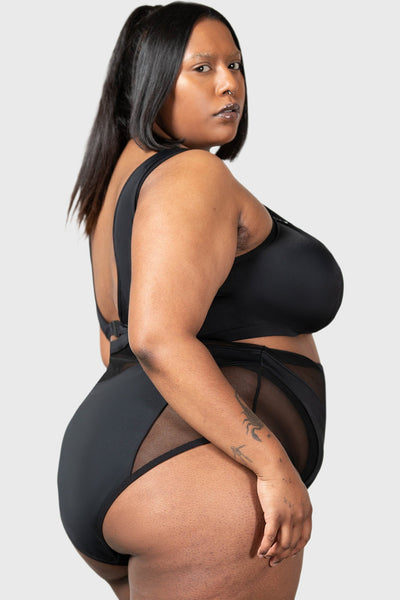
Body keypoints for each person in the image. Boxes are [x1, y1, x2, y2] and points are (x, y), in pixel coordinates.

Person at [57, 2, 343, 599]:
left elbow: (114, 346)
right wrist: (271, 464)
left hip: (118, 458)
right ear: (151, 83)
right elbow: (156, 339)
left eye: (235, 65)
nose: (229, 85)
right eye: (202, 68)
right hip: (191, 482)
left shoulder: (117, 186)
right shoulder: (192, 175)